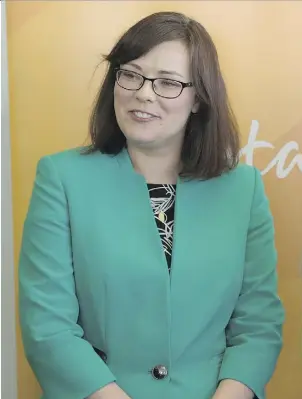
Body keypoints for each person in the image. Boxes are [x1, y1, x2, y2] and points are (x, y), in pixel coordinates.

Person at [18, 11, 284, 399]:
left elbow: (258, 326)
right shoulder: (63, 178)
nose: (143, 93)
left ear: (199, 99)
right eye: (131, 74)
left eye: (168, 83)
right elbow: (48, 327)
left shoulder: (242, 189)